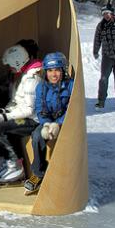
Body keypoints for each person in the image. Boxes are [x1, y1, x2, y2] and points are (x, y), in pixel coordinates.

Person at [0, 44, 43, 183]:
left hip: (34, 121)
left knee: (0, 127)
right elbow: (19, 102)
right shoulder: (24, 76)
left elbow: (29, 110)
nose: (10, 69)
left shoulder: (32, 80)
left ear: (18, 62)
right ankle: (7, 161)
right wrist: (5, 111)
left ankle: (13, 166)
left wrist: (6, 116)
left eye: (11, 65)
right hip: (27, 117)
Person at [24, 52, 73, 195]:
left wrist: (59, 123)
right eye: (50, 70)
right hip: (48, 121)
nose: (54, 74)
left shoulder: (70, 86)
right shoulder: (41, 87)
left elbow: (71, 107)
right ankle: (39, 173)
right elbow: (40, 109)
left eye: (57, 70)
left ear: (62, 70)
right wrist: (46, 124)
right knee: (37, 136)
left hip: (65, 122)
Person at [93, 3, 115, 110]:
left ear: (112, 13)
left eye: (108, 13)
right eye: (104, 14)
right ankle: (101, 101)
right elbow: (97, 39)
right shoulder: (101, 25)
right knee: (103, 78)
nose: (106, 15)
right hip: (107, 55)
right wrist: (95, 51)